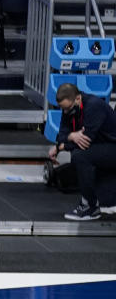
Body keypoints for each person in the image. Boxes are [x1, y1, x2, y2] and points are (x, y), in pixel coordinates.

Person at [49, 81, 116, 222]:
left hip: (112, 146)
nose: (66, 113)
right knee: (78, 155)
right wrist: (71, 136)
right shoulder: (69, 108)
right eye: (63, 109)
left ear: (78, 98)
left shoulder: (94, 106)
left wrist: (60, 147)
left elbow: (85, 142)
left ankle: (90, 207)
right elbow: (61, 135)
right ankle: (93, 202)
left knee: (81, 155)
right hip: (102, 147)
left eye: (68, 108)